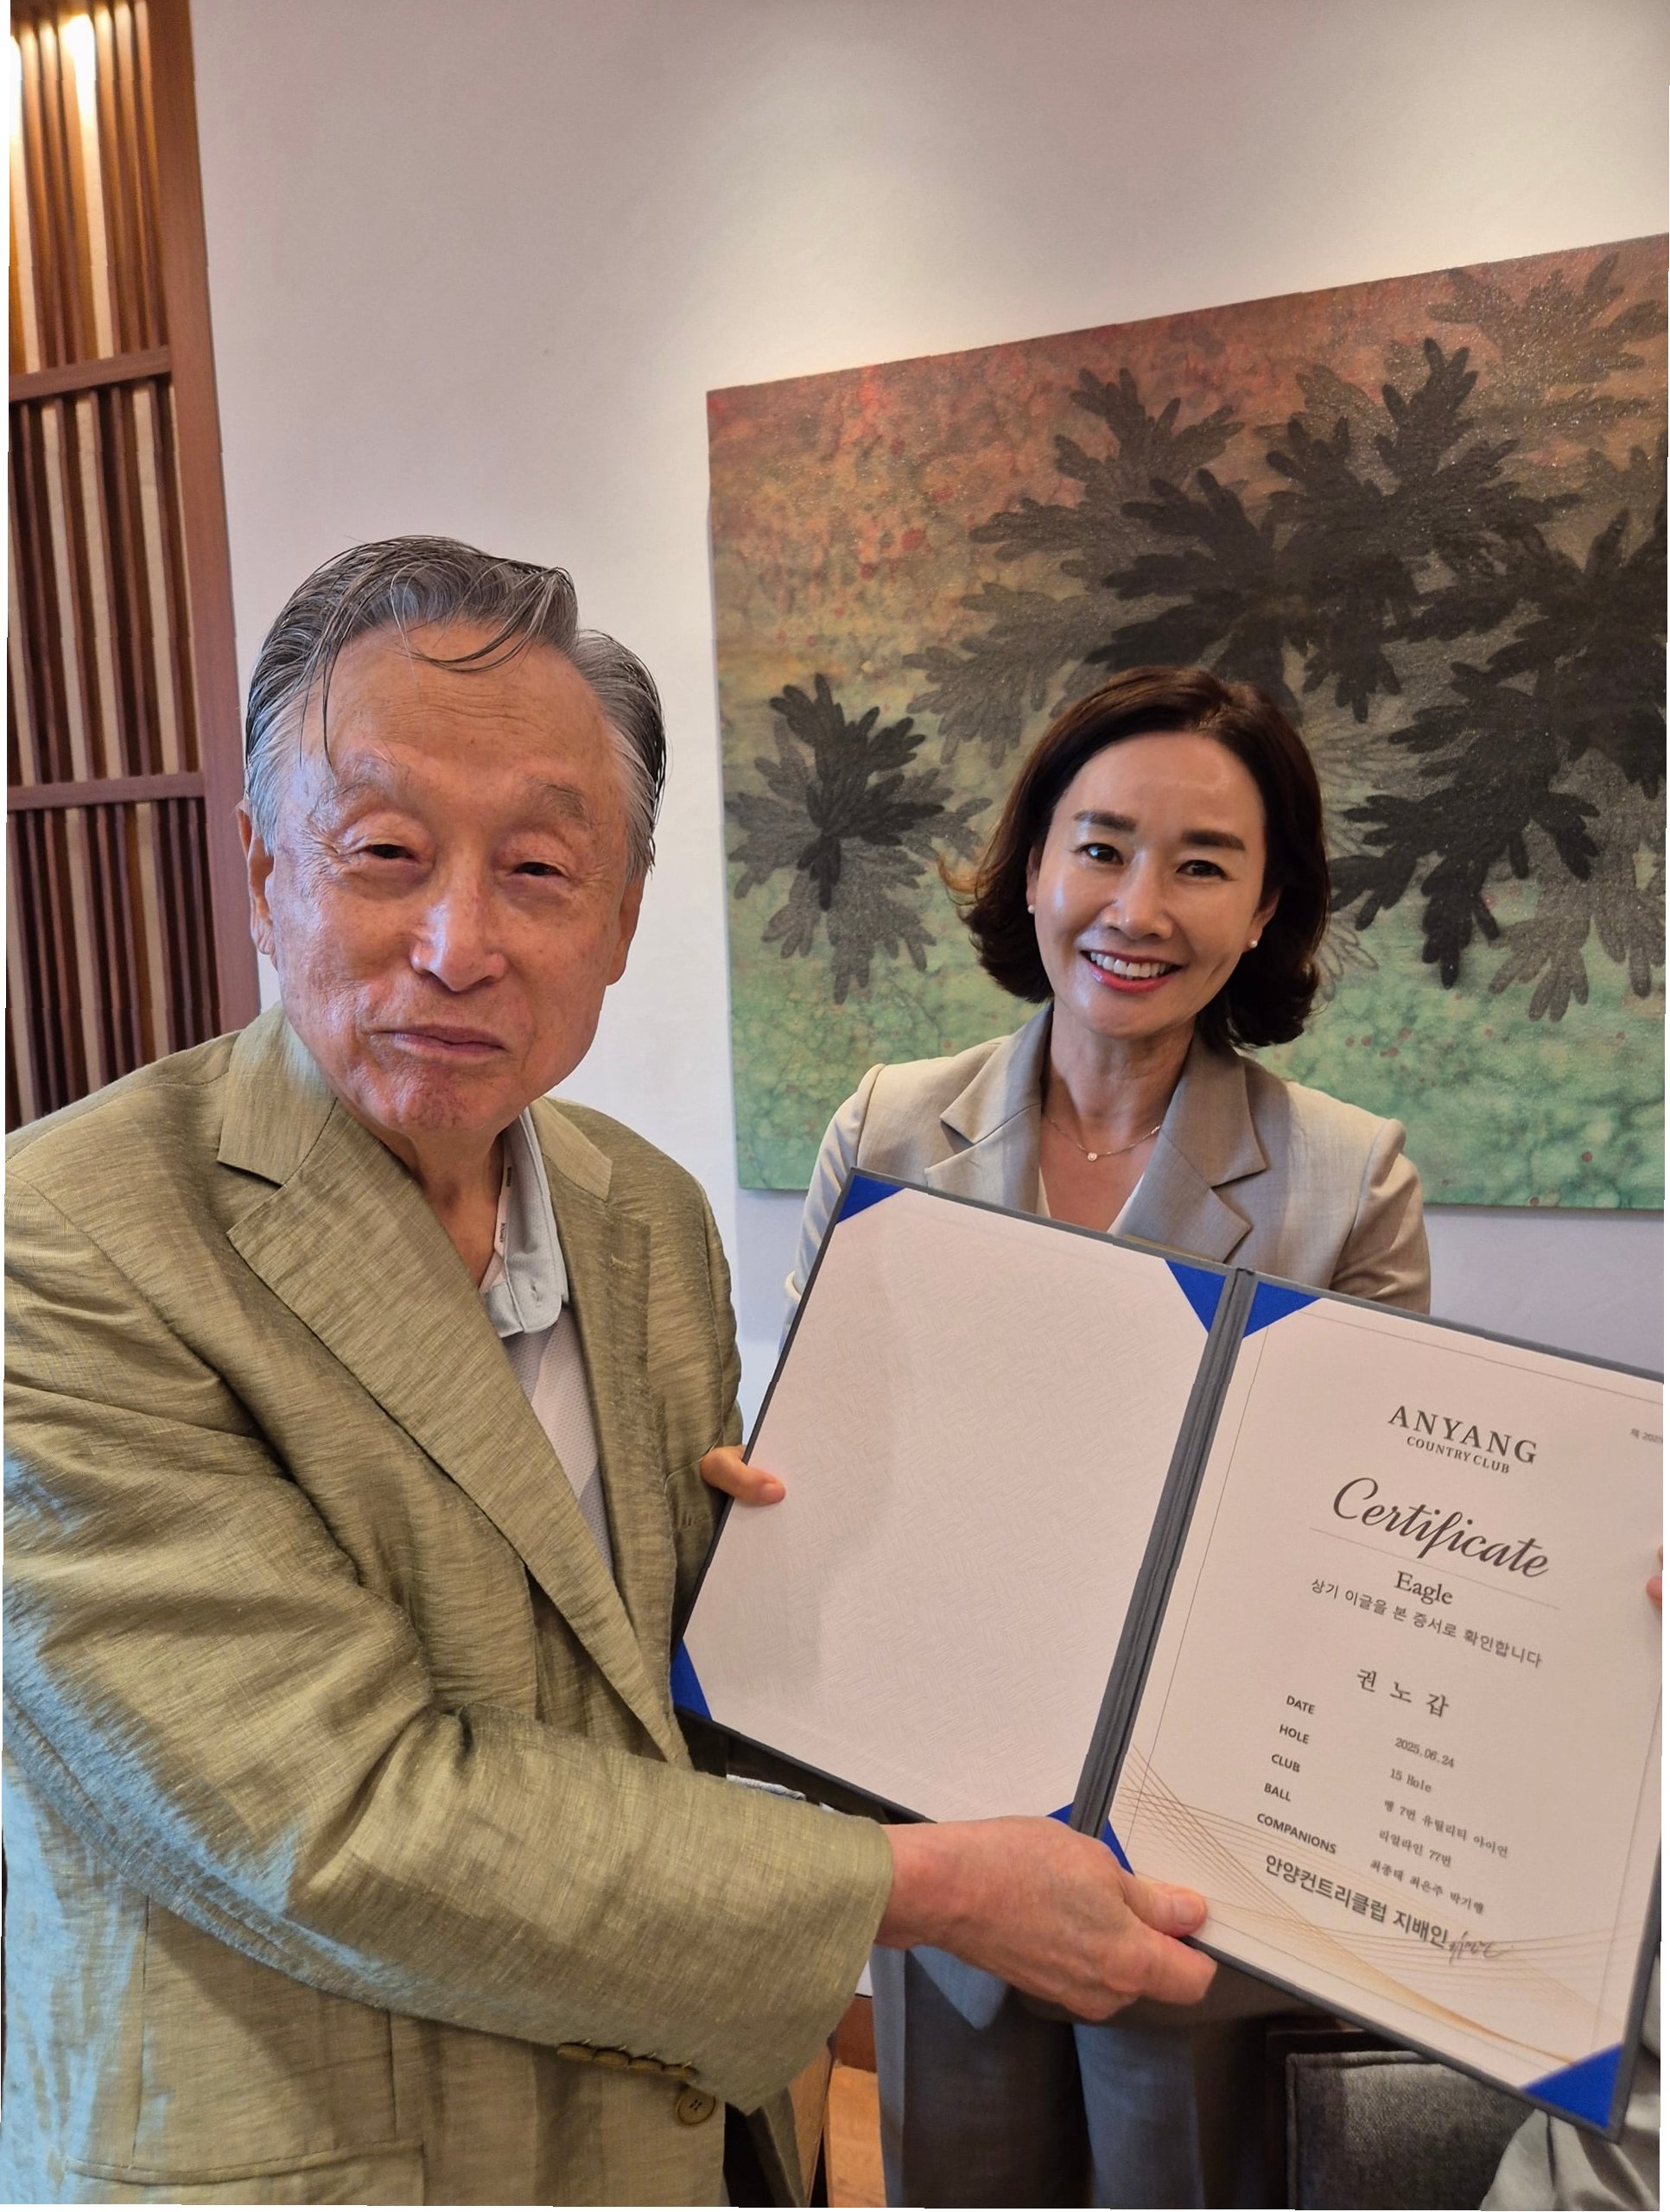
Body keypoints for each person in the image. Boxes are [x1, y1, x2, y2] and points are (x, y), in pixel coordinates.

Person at [2, 542, 1217, 2209]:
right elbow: (331, 1822)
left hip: (674, 2132)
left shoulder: (637, 1212)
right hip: (317, 2149)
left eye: (539, 869)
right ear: (267, 870)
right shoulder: (66, 1244)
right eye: (384, 852)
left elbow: (654, 1677)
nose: (458, 942)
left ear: (624, 919)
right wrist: (921, 1886)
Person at [712, 665, 1427, 2209]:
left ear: (1265, 910)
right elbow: (828, 1452)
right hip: (941, 1832)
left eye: (1202, 865)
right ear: (1032, 865)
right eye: (1099, 848)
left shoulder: (1345, 1181)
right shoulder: (885, 1130)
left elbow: (1353, 1560)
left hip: (1200, 1878)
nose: (1137, 908)